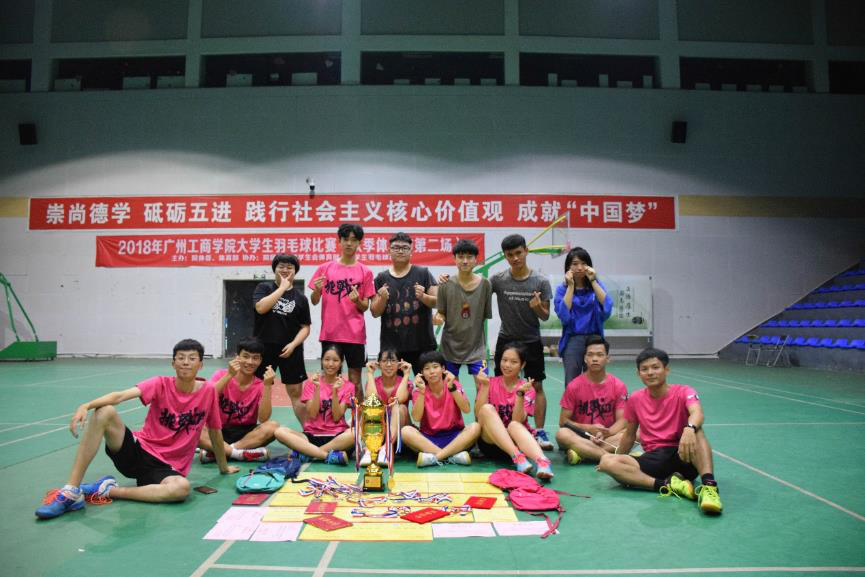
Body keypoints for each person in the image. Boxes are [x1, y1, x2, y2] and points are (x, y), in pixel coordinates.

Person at [35, 339, 239, 520]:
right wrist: (86, 405)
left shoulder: (208, 392)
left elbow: (215, 431)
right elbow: (119, 396)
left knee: (181, 489)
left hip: (165, 468)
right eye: (181, 358)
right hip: (138, 451)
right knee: (105, 411)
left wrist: (223, 467)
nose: (186, 362)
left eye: (192, 358)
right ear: (173, 363)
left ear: (201, 365)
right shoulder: (160, 383)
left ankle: (107, 490)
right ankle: (71, 491)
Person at [596, 348, 723, 515]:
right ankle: (666, 485)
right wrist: (618, 460)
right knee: (607, 461)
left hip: (684, 455)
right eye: (644, 369)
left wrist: (689, 428)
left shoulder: (684, 391)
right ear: (638, 374)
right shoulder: (635, 399)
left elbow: (697, 413)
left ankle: (709, 487)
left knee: (696, 430)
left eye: (655, 367)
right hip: (655, 460)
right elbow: (629, 435)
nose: (650, 372)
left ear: (666, 370)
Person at [490, 234, 555, 450]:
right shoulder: (498, 279)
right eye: (510, 255)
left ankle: (540, 431)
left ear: (526, 251)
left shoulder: (540, 281)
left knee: (536, 385)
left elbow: (545, 315)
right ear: (505, 256)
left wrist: (537, 307)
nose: (515, 258)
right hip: (506, 338)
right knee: (499, 385)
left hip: (531, 339)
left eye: (519, 253)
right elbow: (475, 289)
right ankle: (499, 429)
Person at [310, 223, 375, 396]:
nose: (349, 243)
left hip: (355, 335)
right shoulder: (324, 268)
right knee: (330, 379)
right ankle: (332, 413)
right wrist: (317, 290)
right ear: (339, 241)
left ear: (359, 243)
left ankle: (358, 413)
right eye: (345, 239)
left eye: (354, 240)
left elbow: (365, 306)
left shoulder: (365, 271)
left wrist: (357, 301)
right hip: (330, 333)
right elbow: (314, 301)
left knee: (355, 381)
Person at [475, 343, 554, 480]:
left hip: (517, 441)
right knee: (486, 409)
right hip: (491, 443)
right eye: (504, 360)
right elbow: (478, 414)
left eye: (513, 362)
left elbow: (517, 421)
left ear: (522, 365)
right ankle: (518, 457)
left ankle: (543, 463)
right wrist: (485, 386)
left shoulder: (527, 388)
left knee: (513, 425)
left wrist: (520, 395)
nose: (507, 365)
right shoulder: (489, 382)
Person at [198, 337, 279, 463]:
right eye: (245, 356)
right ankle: (238, 454)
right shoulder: (221, 374)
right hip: (218, 430)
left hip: (245, 435)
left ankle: (220, 452)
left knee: (273, 427)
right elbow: (207, 398)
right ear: (237, 357)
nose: (250, 362)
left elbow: (263, 419)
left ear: (260, 360)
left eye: (255, 358)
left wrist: (267, 385)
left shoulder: (261, 384)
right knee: (195, 425)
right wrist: (229, 375)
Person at [253, 253, 311, 424]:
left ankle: (310, 432)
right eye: (281, 266)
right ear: (274, 269)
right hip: (263, 349)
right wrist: (282, 288)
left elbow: (305, 327)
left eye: (289, 267)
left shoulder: (301, 298)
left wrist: (293, 344)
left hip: (291, 350)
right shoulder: (264, 288)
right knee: (258, 390)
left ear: (295, 271)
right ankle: (252, 430)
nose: (285, 270)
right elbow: (260, 308)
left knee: (296, 393)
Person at [370, 232, 438, 375]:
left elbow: (437, 302)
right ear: (388, 250)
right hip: (392, 347)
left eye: (405, 248)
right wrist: (382, 299)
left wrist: (423, 296)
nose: (400, 251)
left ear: (411, 251)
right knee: (394, 388)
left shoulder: (423, 273)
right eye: (396, 247)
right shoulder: (381, 278)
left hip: (423, 344)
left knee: (427, 385)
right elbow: (374, 312)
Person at [273, 344, 354, 464]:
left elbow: (337, 417)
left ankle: (309, 454)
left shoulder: (348, 386)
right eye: (327, 359)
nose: (330, 364)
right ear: (321, 360)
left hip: (337, 437)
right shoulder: (312, 383)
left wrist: (335, 392)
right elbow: (312, 414)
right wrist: (317, 389)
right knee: (279, 432)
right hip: (311, 436)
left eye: (335, 360)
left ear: (341, 362)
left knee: (354, 434)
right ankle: (327, 456)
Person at [555, 335, 628, 464]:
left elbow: (622, 420)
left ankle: (583, 454)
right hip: (581, 436)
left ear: (608, 358)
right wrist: (589, 428)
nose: (595, 359)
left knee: (637, 432)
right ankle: (612, 456)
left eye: (600, 355)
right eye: (590, 355)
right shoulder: (574, 386)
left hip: (607, 437)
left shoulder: (618, 385)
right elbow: (563, 421)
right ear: (585, 358)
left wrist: (606, 433)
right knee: (562, 434)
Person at [400, 350, 481, 467]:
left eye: (435, 367)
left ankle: (435, 458)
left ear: (443, 369)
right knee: (406, 431)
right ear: (421, 372)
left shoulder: (453, 385)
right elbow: (416, 418)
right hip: (429, 439)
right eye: (427, 368)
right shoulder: (419, 391)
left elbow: (466, 409)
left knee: (475, 427)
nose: (432, 372)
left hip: (455, 437)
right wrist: (422, 392)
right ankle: (452, 457)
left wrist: (452, 388)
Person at [435, 239, 493, 388]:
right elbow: (441, 313)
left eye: (469, 257)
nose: (465, 261)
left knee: (483, 388)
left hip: (477, 348)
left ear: (476, 260)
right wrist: (438, 318)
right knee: (452, 389)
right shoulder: (445, 284)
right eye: (461, 257)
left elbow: (484, 315)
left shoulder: (485, 284)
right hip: (450, 347)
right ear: (454, 259)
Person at [554, 247, 613, 386]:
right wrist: (570, 286)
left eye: (583, 263)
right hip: (573, 340)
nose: (579, 268)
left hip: (594, 339)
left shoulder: (596, 285)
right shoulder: (562, 289)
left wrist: (593, 281)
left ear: (589, 266)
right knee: (571, 382)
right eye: (575, 264)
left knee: (595, 381)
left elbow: (607, 308)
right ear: (568, 267)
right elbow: (564, 316)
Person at [360, 349, 413, 466]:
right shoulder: (373, 382)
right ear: (378, 364)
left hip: (400, 432)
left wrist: (406, 374)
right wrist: (370, 373)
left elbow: (399, 398)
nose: (389, 364)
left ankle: (386, 449)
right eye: (384, 361)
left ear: (399, 364)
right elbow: (371, 398)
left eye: (393, 361)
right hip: (378, 431)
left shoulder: (406, 382)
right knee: (370, 406)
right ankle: (372, 449)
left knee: (399, 407)